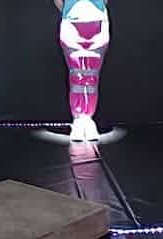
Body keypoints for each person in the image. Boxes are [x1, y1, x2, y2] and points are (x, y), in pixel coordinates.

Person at [54, 1, 110, 142]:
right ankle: (79, 119)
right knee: (77, 74)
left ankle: (87, 119)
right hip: (72, 22)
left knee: (91, 75)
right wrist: (67, 12)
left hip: (97, 21)